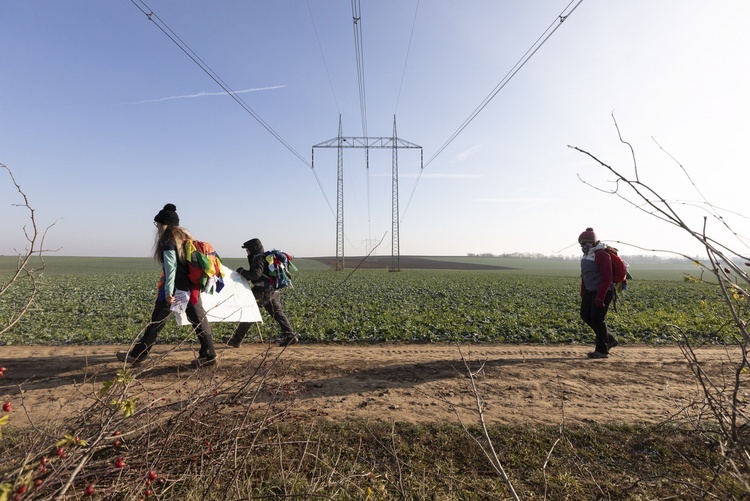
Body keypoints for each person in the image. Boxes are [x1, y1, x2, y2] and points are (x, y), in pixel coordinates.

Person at [116, 204, 217, 368]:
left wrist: (168, 291)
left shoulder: (168, 239)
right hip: (192, 287)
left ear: (164, 224)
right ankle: (209, 355)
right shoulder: (185, 237)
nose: (157, 227)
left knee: (157, 320)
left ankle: (137, 355)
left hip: (176, 288)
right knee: (198, 319)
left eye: (157, 224)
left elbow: (171, 268)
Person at [225, 238, 298, 348]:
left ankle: (236, 340)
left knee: (249, 312)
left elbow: (255, 275)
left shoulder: (258, 259)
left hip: (262, 292)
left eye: (248, 249)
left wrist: (241, 271)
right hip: (273, 290)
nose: (247, 252)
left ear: (253, 248)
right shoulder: (266, 257)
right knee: (278, 314)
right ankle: (290, 336)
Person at [578, 227, 619, 359]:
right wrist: (583, 292)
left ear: (593, 242)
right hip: (590, 291)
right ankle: (609, 339)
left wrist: (600, 297)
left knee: (597, 319)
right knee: (585, 315)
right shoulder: (587, 254)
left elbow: (607, 277)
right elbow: (585, 275)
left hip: (603, 291)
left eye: (586, 242)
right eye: (581, 243)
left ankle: (602, 350)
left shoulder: (601, 254)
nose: (583, 245)